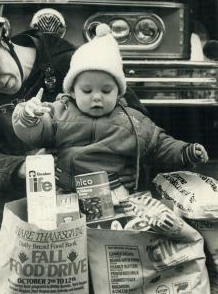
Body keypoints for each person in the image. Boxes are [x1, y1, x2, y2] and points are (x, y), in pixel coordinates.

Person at [0, 8, 149, 205]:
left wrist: (131, 164)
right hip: (23, 202)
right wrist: (21, 167)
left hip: (100, 195)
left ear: (4, 41)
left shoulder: (75, 64)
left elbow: (138, 125)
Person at [12, 24, 209, 193]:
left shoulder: (132, 121)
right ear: (72, 91)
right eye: (87, 90)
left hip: (114, 191)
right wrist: (29, 119)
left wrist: (185, 151)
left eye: (106, 90)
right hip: (66, 191)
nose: (97, 97)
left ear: (120, 93)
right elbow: (33, 134)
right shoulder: (59, 113)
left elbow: (158, 144)